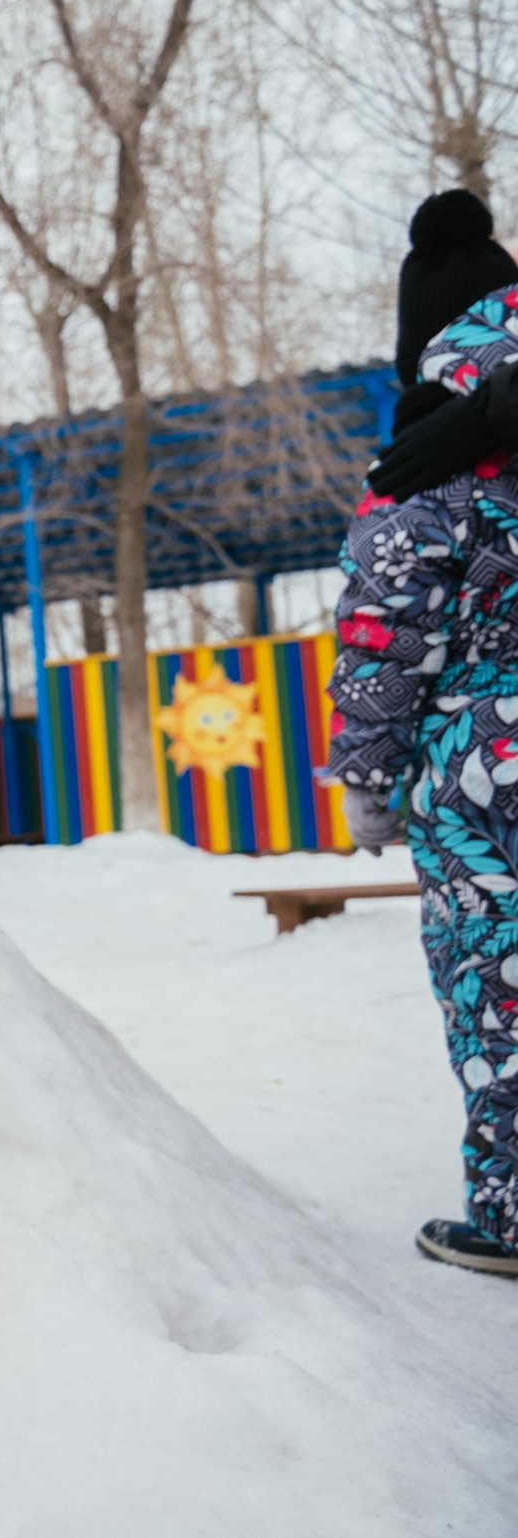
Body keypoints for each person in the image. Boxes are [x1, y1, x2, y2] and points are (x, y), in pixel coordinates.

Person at [328, 187, 518, 1280]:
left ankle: (510, 1209)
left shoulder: (420, 469)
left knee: (497, 980)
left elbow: (383, 636)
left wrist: (368, 772)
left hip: (481, 764)